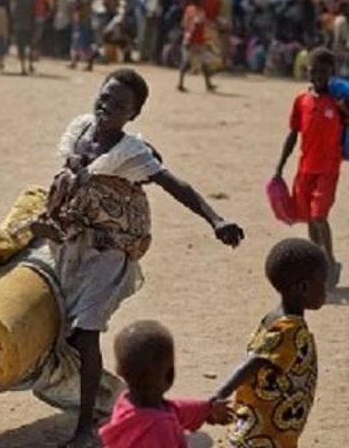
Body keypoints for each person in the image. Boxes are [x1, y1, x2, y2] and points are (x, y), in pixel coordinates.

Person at [30, 69, 244, 448]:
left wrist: (216, 219)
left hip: (109, 253)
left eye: (119, 105)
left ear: (133, 115)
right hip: (72, 246)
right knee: (69, 332)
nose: (107, 107)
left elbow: (176, 185)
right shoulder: (79, 132)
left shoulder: (131, 153)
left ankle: (84, 429)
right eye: (105, 96)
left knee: (87, 330)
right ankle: (108, 399)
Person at [214, 238, 326, 448]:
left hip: (262, 429)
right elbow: (254, 361)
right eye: (322, 283)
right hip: (264, 436)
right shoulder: (289, 329)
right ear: (303, 287)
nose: (325, 291)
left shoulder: (273, 319)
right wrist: (219, 395)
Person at [99, 320, 233, 448]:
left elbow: (176, 409)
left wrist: (206, 409)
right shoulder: (161, 427)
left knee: (201, 440)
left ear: (120, 372)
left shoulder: (126, 402)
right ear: (170, 375)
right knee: (203, 440)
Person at [275, 47, 343, 288]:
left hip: (328, 168)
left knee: (319, 216)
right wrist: (280, 166)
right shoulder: (301, 101)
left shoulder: (338, 103)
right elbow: (293, 135)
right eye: (312, 72)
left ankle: (331, 261)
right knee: (309, 219)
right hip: (305, 168)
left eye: (322, 73)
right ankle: (318, 262)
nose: (316, 77)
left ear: (331, 73)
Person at [177, 0, 216, 92]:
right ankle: (208, 84)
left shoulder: (188, 9)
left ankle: (180, 83)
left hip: (190, 39)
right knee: (202, 62)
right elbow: (196, 25)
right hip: (196, 40)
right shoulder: (199, 11)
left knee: (186, 62)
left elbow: (184, 24)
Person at [70, 0, 95, 70]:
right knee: (79, 42)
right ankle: (74, 62)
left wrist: (76, 18)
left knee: (82, 42)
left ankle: (86, 62)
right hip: (85, 20)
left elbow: (77, 7)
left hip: (82, 21)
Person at [13, 0, 36, 75]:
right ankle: (30, 64)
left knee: (21, 47)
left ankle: (23, 68)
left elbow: (14, 12)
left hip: (19, 25)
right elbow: (33, 13)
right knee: (30, 46)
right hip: (29, 25)